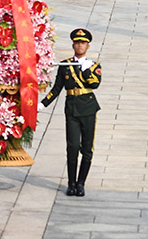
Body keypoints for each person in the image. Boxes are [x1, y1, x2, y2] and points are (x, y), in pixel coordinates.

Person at [39, 28, 101, 197]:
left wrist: (85, 69)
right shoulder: (66, 65)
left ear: (88, 46)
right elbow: (57, 88)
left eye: (83, 43)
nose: (80, 45)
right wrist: (43, 104)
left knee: (87, 148)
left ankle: (81, 183)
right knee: (72, 146)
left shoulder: (94, 66)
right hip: (72, 109)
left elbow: (94, 84)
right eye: (77, 43)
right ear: (73, 45)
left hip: (88, 108)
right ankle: (71, 182)